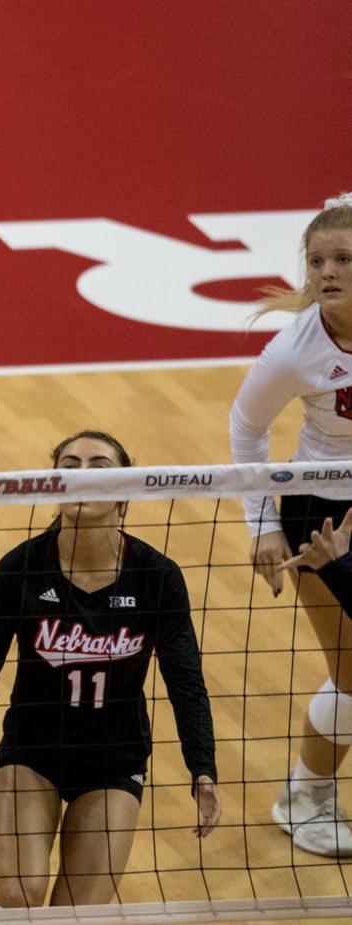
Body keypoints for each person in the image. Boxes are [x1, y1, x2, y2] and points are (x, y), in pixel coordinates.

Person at [0, 431, 220, 907]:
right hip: (32, 752)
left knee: (77, 914)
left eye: (99, 466)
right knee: (21, 897)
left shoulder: (157, 577)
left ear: (125, 489)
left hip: (114, 761)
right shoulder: (22, 568)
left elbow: (186, 683)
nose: (82, 475)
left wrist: (202, 769)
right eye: (70, 464)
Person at [230, 192, 352, 857]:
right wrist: (261, 527)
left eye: (342, 259)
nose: (325, 272)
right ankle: (305, 795)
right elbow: (246, 428)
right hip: (322, 512)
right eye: (316, 260)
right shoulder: (294, 350)